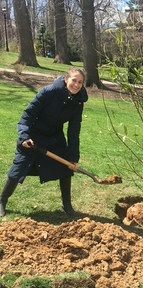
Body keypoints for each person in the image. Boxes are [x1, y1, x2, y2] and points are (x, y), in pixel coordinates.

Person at [0, 67, 88, 217]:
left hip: (54, 139)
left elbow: (74, 132)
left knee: (66, 167)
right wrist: (24, 136)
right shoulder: (48, 92)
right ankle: (2, 201)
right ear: (66, 79)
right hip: (32, 138)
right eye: (74, 80)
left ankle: (67, 205)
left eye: (80, 82)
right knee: (18, 169)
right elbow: (27, 116)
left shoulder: (78, 103)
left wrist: (73, 158)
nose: (76, 84)